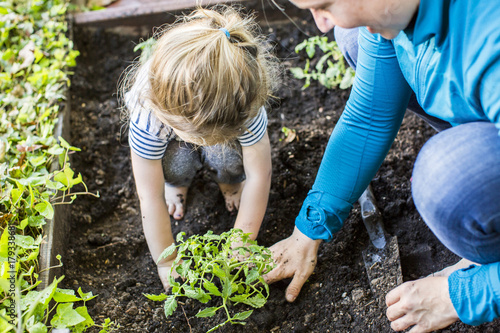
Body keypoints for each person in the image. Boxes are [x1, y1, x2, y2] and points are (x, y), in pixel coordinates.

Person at [264, 0, 500, 332]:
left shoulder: (492, 40)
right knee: (354, 35)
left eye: (324, 5)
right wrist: (308, 230)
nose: (321, 24)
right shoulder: (394, 9)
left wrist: (470, 291)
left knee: (447, 179)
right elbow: (368, 117)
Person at [120, 6, 277, 290]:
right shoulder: (149, 116)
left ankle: (229, 183)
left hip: (209, 122)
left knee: (229, 156)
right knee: (176, 162)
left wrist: (241, 243)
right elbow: (149, 195)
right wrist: (166, 261)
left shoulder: (245, 102)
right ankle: (177, 185)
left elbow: (259, 175)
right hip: (170, 134)